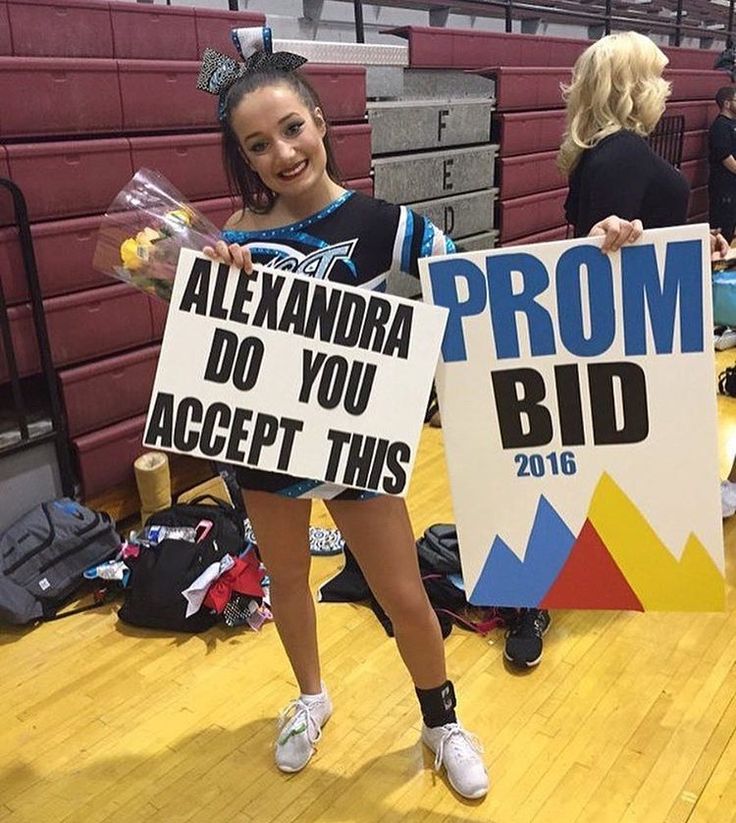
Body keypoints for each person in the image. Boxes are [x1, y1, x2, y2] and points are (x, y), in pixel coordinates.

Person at [196, 27, 646, 801]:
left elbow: (489, 285)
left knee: (404, 593)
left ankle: (441, 721)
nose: (282, 153)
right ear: (246, 156)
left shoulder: (386, 226)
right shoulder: (234, 236)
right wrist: (211, 276)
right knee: (289, 579)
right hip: (266, 444)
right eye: (258, 144)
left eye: (292, 128)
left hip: (354, 446)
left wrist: (593, 252)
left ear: (321, 122)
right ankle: (311, 695)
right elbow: (207, 340)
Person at [708, 86, 736, 243]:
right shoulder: (720, 127)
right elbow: (726, 158)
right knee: (723, 227)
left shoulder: (733, 124)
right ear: (727, 103)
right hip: (724, 187)